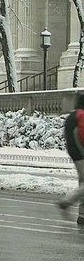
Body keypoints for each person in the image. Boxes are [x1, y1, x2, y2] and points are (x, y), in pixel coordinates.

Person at [57, 94, 84, 226]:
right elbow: (83, 136)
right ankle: (66, 202)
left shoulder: (72, 116)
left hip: (75, 154)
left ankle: (82, 216)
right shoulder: (81, 115)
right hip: (82, 154)